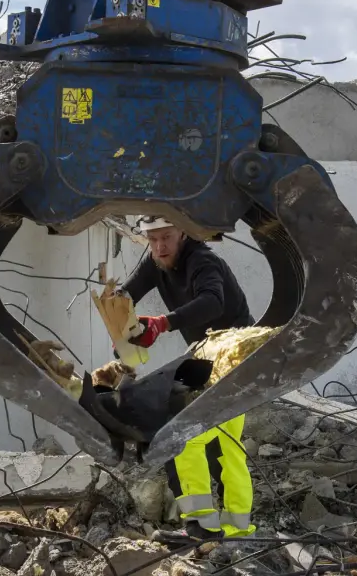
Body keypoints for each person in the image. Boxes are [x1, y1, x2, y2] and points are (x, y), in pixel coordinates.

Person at [118, 215, 257, 543]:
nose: (159, 246)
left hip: (235, 358)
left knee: (196, 440)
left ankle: (218, 530)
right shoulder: (157, 261)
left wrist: (162, 324)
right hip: (208, 359)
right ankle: (221, 528)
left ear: (182, 232)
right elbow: (126, 294)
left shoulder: (202, 260)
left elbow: (212, 302)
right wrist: (118, 321)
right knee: (209, 445)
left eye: (166, 237)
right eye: (152, 240)